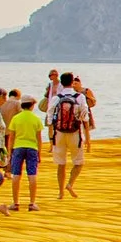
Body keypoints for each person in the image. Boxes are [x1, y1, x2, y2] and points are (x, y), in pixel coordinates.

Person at [47, 72, 89, 200]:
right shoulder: (80, 97)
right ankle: (70, 184)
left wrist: (51, 135)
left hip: (59, 133)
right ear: (72, 82)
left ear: (62, 82)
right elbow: (85, 115)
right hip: (75, 133)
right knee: (78, 162)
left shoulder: (56, 98)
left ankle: (60, 192)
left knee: (61, 164)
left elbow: (49, 117)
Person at [7, 92, 45, 212]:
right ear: (32, 105)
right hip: (32, 147)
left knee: (16, 175)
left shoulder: (16, 118)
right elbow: (39, 139)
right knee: (32, 175)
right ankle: (32, 203)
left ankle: (15, 203)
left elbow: (11, 137)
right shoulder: (36, 119)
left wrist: (9, 152)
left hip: (18, 147)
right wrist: (39, 153)